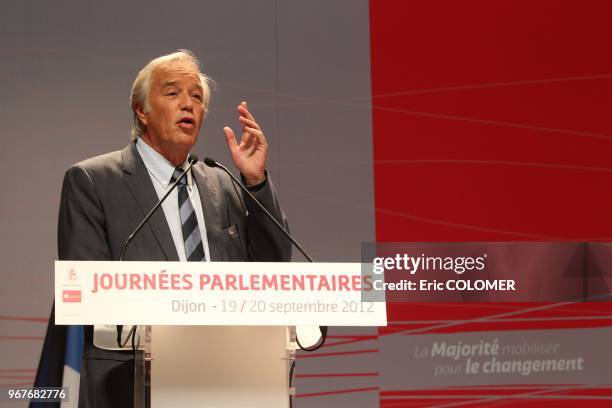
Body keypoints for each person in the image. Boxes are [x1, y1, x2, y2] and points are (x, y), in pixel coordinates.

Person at [34, 49, 291, 408]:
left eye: (197, 97)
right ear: (142, 110)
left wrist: (255, 181)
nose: (188, 104)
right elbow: (87, 294)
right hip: (129, 385)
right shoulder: (92, 180)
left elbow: (274, 270)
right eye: (172, 93)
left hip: (231, 380)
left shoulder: (225, 182)